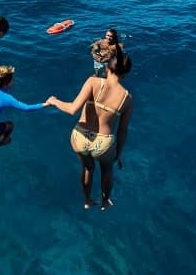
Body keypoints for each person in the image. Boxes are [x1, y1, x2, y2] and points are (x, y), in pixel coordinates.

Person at [47, 50, 133, 211]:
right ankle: (105, 201)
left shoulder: (94, 82)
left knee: (88, 168)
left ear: (107, 67)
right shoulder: (127, 98)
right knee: (107, 170)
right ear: (126, 74)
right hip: (104, 142)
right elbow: (123, 131)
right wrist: (119, 153)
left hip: (80, 136)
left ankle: (87, 200)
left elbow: (72, 109)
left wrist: (55, 101)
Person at [0, 65, 51, 147]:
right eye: (12, 78)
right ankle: (3, 140)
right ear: (8, 83)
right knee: (10, 125)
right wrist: (46, 104)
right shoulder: (7, 98)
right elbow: (27, 108)